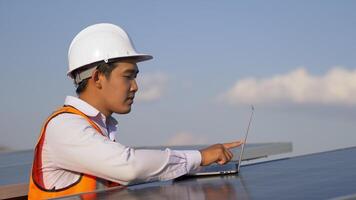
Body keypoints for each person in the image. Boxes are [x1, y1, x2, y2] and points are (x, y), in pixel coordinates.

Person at [28, 23, 243, 199]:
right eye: (128, 76)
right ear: (97, 78)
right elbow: (129, 166)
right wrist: (199, 157)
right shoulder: (64, 126)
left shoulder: (95, 128)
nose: (135, 86)